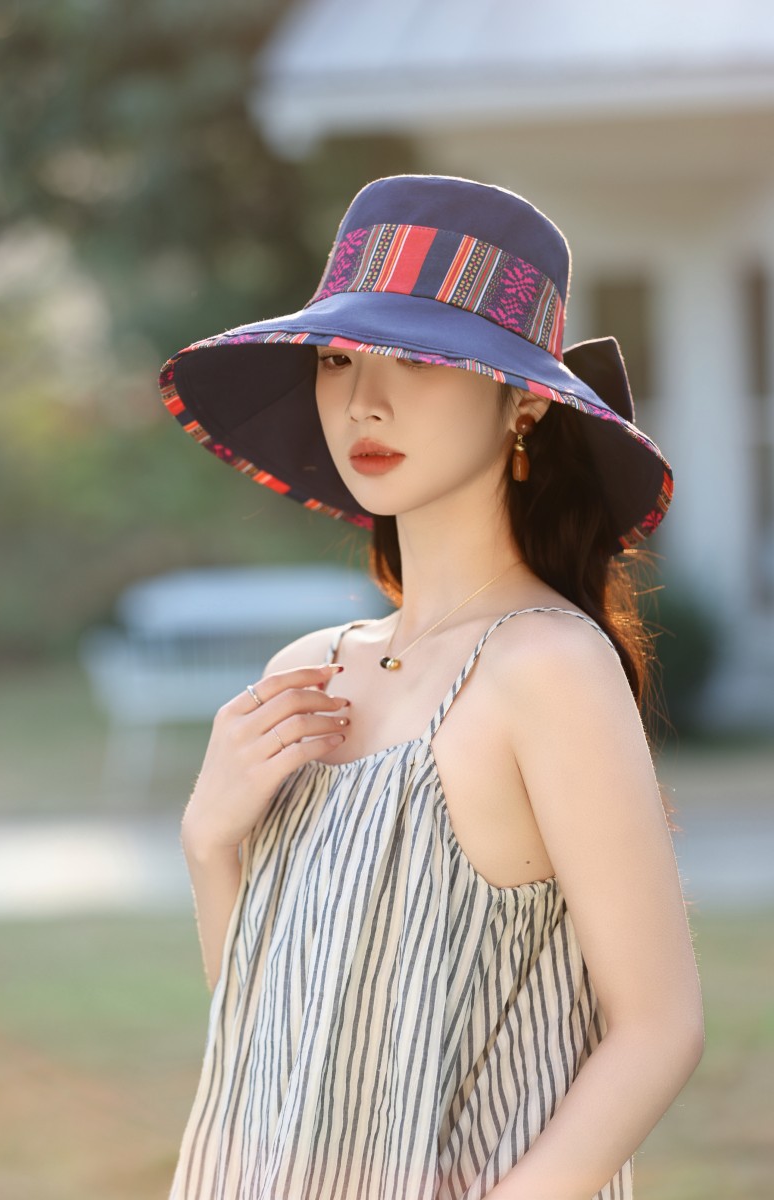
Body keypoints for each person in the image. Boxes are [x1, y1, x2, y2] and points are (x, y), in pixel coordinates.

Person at [158, 175, 704, 1200]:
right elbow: (273, 1032)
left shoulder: (546, 665)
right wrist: (209, 843)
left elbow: (658, 1028)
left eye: (417, 359)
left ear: (525, 401)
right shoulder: (307, 673)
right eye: (337, 359)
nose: (363, 400)